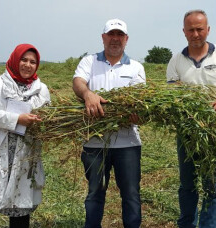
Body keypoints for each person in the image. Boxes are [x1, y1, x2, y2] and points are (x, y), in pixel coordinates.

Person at [166, 10, 216, 228]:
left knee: (213, 187)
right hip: (187, 131)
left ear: (208, 29)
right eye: (191, 29)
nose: (196, 34)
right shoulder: (176, 60)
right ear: (184, 32)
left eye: (200, 29)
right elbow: (172, 95)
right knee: (187, 184)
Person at [0, 44, 51, 228]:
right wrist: (17, 119)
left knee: (20, 206)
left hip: (24, 154)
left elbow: (46, 118)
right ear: (15, 59)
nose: (28, 65)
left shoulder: (41, 89)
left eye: (33, 62)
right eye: (24, 59)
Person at [72, 18, 146, 228]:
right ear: (103, 38)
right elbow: (78, 82)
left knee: (131, 194)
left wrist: (136, 114)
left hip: (128, 143)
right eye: (111, 35)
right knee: (95, 192)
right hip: (94, 143)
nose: (115, 39)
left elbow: (139, 100)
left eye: (119, 35)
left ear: (126, 39)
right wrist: (88, 94)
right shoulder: (89, 61)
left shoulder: (136, 67)